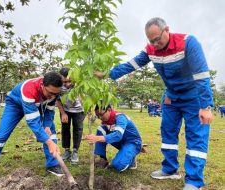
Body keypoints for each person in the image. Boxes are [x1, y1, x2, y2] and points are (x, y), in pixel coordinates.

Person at [94, 17, 213, 190]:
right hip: (171, 97)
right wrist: (106, 74)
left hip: (194, 97)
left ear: (167, 30)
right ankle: (170, 169)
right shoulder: (150, 50)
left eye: (158, 39)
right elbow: (130, 65)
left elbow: (201, 75)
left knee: (196, 137)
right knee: (168, 134)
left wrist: (206, 106)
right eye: (151, 41)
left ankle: (194, 181)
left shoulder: (188, 43)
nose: (155, 44)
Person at [0, 71, 64, 189]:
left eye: (55, 94)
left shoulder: (54, 92)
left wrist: (47, 126)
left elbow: (50, 110)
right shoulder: (29, 89)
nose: (53, 97)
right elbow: (33, 122)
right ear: (42, 85)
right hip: (15, 104)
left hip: (38, 104)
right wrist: (49, 143)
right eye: (50, 93)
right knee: (0, 137)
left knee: (50, 132)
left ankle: (53, 164)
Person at [85, 104, 142, 172]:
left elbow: (118, 135)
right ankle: (102, 158)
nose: (100, 117)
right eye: (98, 116)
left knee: (118, 165)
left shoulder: (120, 117)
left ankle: (131, 158)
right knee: (101, 129)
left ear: (109, 110)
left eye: (101, 114)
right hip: (121, 141)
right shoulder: (106, 121)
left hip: (132, 142)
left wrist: (97, 138)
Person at [56, 68, 85, 164]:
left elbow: (86, 97)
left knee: (78, 129)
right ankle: (67, 150)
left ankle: (75, 151)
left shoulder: (79, 84)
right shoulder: (59, 86)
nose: (67, 84)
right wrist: (63, 113)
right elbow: (58, 100)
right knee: (65, 129)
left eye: (69, 81)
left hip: (79, 110)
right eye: (64, 82)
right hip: (66, 110)